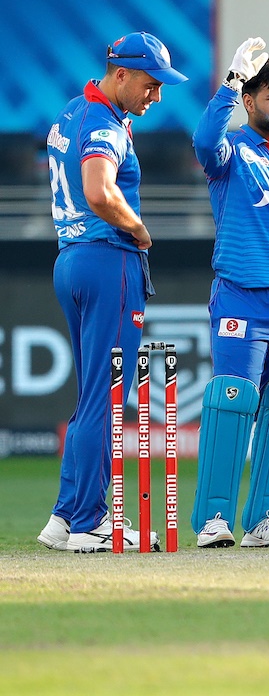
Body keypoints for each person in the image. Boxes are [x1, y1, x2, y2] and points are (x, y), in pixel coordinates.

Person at [37, 32, 187, 552]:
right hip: (108, 261)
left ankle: (63, 515)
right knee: (107, 394)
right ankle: (88, 522)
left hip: (71, 260)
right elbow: (100, 191)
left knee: (91, 394)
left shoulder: (73, 112)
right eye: (150, 84)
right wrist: (139, 229)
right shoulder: (103, 121)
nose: (156, 96)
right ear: (120, 74)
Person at [190, 38, 269, 549]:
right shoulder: (229, 153)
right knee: (233, 399)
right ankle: (214, 519)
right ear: (250, 101)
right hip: (242, 295)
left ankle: (265, 519)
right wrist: (229, 84)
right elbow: (202, 142)